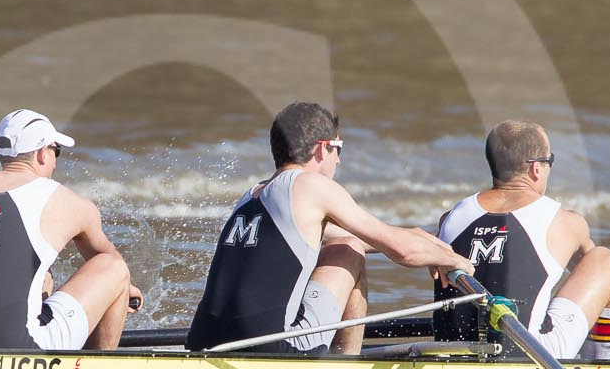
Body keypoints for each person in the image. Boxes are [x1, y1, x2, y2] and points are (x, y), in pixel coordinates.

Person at [186, 102, 470, 355]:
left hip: (201, 341)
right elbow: (401, 251)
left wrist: (428, 241)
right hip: (271, 350)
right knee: (350, 251)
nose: (339, 160)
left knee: (347, 242)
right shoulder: (312, 186)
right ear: (322, 148)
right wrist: (454, 259)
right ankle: (345, 368)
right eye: (338, 149)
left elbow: (372, 238)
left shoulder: (251, 196)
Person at [0, 109, 140, 351]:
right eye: (55, 151)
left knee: (42, 278)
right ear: (41, 153)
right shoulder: (64, 200)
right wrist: (126, 291)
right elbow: (107, 260)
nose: (56, 160)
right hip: (21, 349)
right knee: (116, 270)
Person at [431, 120, 610, 360]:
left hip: (451, 352)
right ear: (537, 168)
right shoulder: (566, 222)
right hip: (532, 354)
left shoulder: (450, 219)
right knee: (608, 261)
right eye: (551, 161)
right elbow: (594, 281)